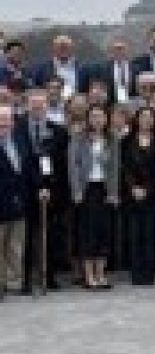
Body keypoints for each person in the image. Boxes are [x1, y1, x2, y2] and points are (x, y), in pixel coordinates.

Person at [18, 90, 70, 292]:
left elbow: (61, 164)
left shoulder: (57, 131)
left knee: (50, 236)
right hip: (24, 190)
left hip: (50, 191)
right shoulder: (17, 128)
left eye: (41, 105)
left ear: (47, 106)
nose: (37, 108)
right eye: (34, 105)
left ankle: (48, 276)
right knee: (27, 237)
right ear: (27, 105)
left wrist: (50, 188)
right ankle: (24, 279)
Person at [68, 105, 120, 289]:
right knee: (87, 233)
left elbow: (115, 167)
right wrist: (76, 191)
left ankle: (101, 274)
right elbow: (73, 166)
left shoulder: (111, 139)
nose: (97, 120)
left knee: (103, 232)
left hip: (104, 189)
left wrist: (113, 192)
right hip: (86, 189)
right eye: (94, 116)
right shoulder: (79, 138)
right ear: (88, 118)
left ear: (106, 119)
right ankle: (88, 276)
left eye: (101, 116)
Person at [0, 104, 36, 299]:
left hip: (20, 200)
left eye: (7, 119)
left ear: (13, 122)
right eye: (1, 119)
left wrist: (39, 187)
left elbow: (30, 167)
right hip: (1, 201)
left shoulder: (21, 140)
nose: (3, 123)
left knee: (16, 244)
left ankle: (15, 282)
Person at [122, 107, 155, 285]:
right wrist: (133, 188)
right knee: (135, 233)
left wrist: (147, 189)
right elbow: (124, 167)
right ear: (137, 119)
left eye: (150, 117)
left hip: (152, 194)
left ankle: (149, 272)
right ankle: (136, 272)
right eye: (143, 117)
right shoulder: (127, 141)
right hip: (132, 195)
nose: (146, 120)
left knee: (150, 234)